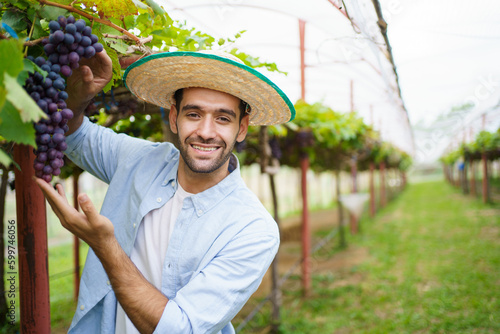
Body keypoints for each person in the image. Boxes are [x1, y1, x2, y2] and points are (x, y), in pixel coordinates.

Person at [35, 49, 295, 333]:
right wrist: (80, 97)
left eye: (223, 118)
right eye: (194, 114)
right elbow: (74, 134)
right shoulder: (140, 160)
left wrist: (104, 245)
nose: (206, 131)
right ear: (174, 118)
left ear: (242, 128)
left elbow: (178, 329)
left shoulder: (253, 229)